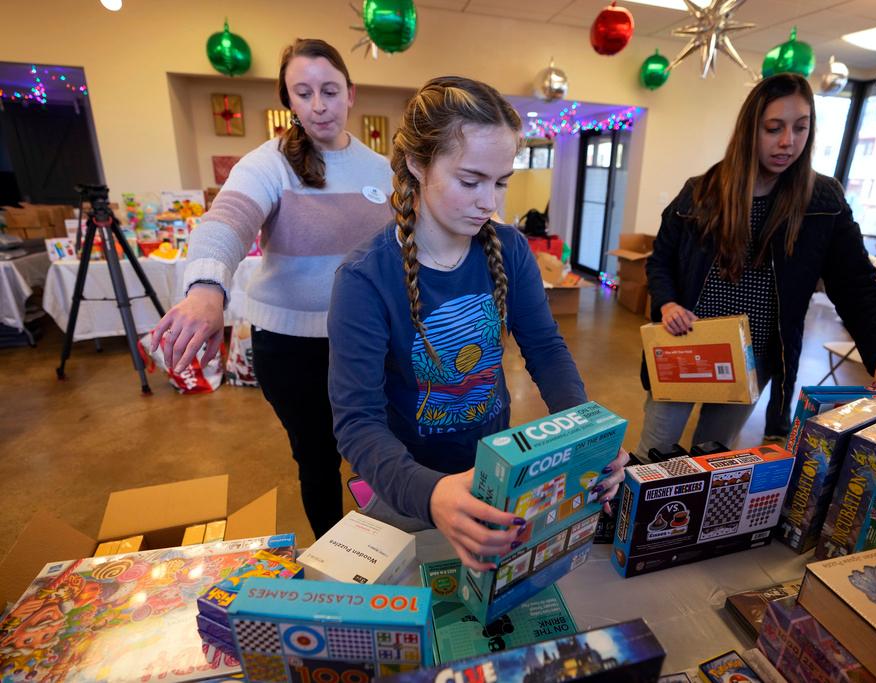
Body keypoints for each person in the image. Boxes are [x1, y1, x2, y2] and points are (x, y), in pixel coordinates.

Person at [328, 76, 628, 570]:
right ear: (416, 164)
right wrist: (430, 494)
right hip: (408, 484)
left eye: (501, 182)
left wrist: (583, 432)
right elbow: (357, 422)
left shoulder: (509, 250)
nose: (490, 201)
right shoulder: (364, 279)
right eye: (470, 181)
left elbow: (546, 349)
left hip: (495, 472)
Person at [150, 38, 393, 539]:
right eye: (302, 93)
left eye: (329, 90)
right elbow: (227, 221)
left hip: (368, 341)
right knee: (317, 457)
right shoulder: (267, 163)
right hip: (291, 346)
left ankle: (383, 547)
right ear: (289, 102)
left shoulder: (381, 169)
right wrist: (205, 289)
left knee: (378, 448)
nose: (318, 105)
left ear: (352, 93)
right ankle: (334, 556)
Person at [637, 73, 876, 459]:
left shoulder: (821, 200)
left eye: (800, 128)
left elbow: (857, 283)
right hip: (686, 349)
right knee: (653, 455)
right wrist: (667, 302)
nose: (788, 142)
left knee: (710, 457)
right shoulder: (700, 193)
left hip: (753, 357)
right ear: (751, 129)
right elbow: (662, 260)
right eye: (773, 128)